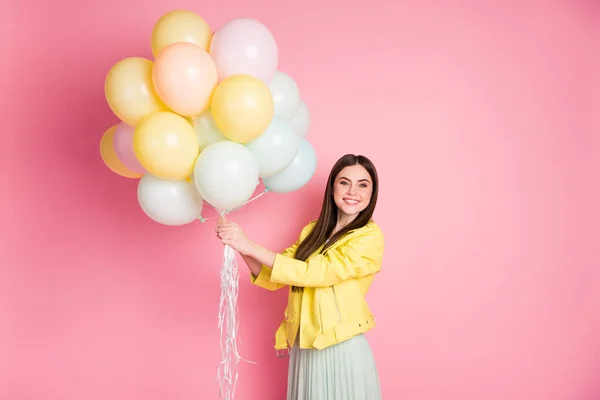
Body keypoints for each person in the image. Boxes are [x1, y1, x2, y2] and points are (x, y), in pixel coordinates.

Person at [215, 154, 384, 400]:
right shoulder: (312, 231)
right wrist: (239, 246)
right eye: (344, 182)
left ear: (371, 193)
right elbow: (278, 275)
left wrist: (249, 245)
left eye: (363, 184)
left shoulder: (369, 237)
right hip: (304, 345)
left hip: (339, 345)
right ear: (333, 187)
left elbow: (315, 273)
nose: (353, 191)